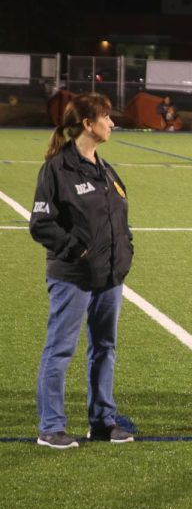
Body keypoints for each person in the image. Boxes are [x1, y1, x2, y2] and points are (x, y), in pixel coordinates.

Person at [29, 92, 135, 449]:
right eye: (106, 117)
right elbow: (41, 224)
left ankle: (102, 422)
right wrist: (79, 250)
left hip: (109, 278)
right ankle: (51, 426)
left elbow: (119, 217)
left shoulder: (105, 168)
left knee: (105, 347)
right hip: (73, 278)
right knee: (60, 350)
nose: (112, 123)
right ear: (88, 125)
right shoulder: (57, 169)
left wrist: (126, 252)